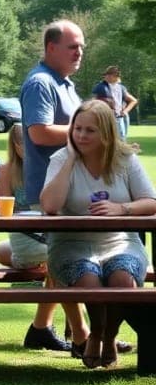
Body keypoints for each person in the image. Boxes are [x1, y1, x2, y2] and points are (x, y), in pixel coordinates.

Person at [39, 99, 156, 368]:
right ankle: (95, 335)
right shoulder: (60, 159)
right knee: (89, 279)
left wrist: (122, 208)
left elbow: (151, 201)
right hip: (71, 243)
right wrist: (70, 159)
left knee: (122, 279)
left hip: (119, 241)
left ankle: (109, 335)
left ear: (106, 133)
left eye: (89, 130)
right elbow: (50, 206)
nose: (81, 135)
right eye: (77, 128)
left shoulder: (125, 159)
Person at [0, 123, 84, 353]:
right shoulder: (7, 170)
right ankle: (79, 333)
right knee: (60, 259)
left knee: (56, 262)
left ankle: (44, 328)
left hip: (42, 239)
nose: (30, 147)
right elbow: (2, 209)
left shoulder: (46, 167)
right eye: (24, 143)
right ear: (15, 145)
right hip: (26, 236)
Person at [21, 20, 84, 208]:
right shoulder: (41, 83)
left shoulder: (65, 83)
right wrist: (92, 133)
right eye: (73, 47)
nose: (79, 52)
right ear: (51, 47)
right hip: (50, 197)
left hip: (72, 193)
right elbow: (40, 134)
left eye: (81, 47)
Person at [92, 65, 138, 139]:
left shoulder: (121, 88)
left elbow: (133, 100)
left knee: (121, 140)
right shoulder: (100, 87)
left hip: (119, 118)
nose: (107, 76)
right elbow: (92, 101)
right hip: (106, 118)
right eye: (107, 74)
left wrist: (125, 111)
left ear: (116, 76)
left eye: (110, 74)